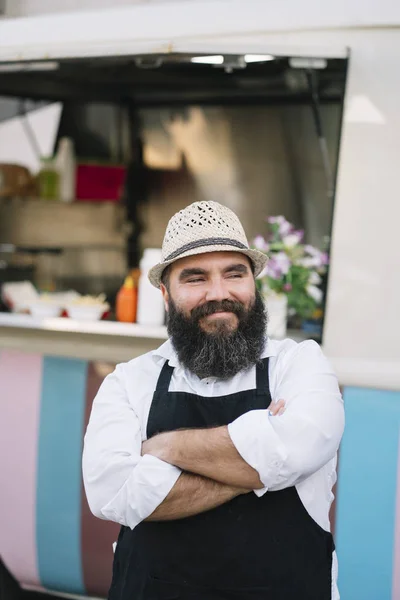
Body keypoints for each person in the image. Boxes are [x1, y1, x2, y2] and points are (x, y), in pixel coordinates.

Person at [82, 200, 344, 600]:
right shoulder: (129, 381)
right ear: (166, 294)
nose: (218, 293)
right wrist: (260, 465)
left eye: (234, 273)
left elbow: (297, 447)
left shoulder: (299, 364)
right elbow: (112, 493)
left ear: (254, 284)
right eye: (195, 278)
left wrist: (164, 448)